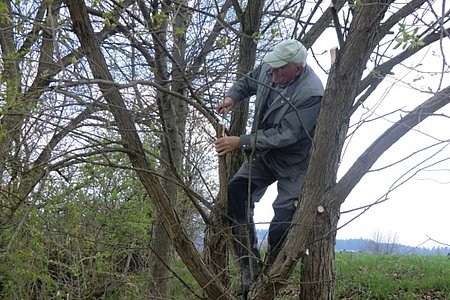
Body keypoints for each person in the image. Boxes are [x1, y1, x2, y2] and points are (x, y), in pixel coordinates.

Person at [214, 39, 324, 295]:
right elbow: (248, 82)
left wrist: (241, 142)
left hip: (295, 163)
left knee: (282, 224)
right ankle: (248, 268)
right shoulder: (269, 67)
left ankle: (271, 280)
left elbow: (286, 134)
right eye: (271, 69)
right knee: (236, 194)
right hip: (264, 154)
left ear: (296, 68)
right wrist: (232, 97)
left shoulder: (312, 93)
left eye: (279, 71)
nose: (272, 74)